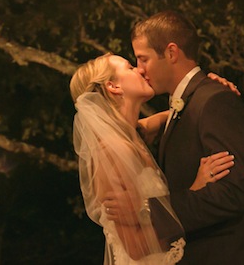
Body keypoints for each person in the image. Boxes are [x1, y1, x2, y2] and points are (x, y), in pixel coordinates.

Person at [126, 10, 244, 264]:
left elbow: (232, 193)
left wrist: (153, 213)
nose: (140, 70)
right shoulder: (186, 105)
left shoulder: (216, 100)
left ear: (172, 53)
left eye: (144, 59)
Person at [70, 53, 235, 264]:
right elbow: (136, 248)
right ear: (113, 86)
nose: (139, 70)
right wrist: (195, 189)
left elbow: (171, 113)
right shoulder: (112, 152)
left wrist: (206, 88)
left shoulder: (135, 133)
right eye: (129, 67)